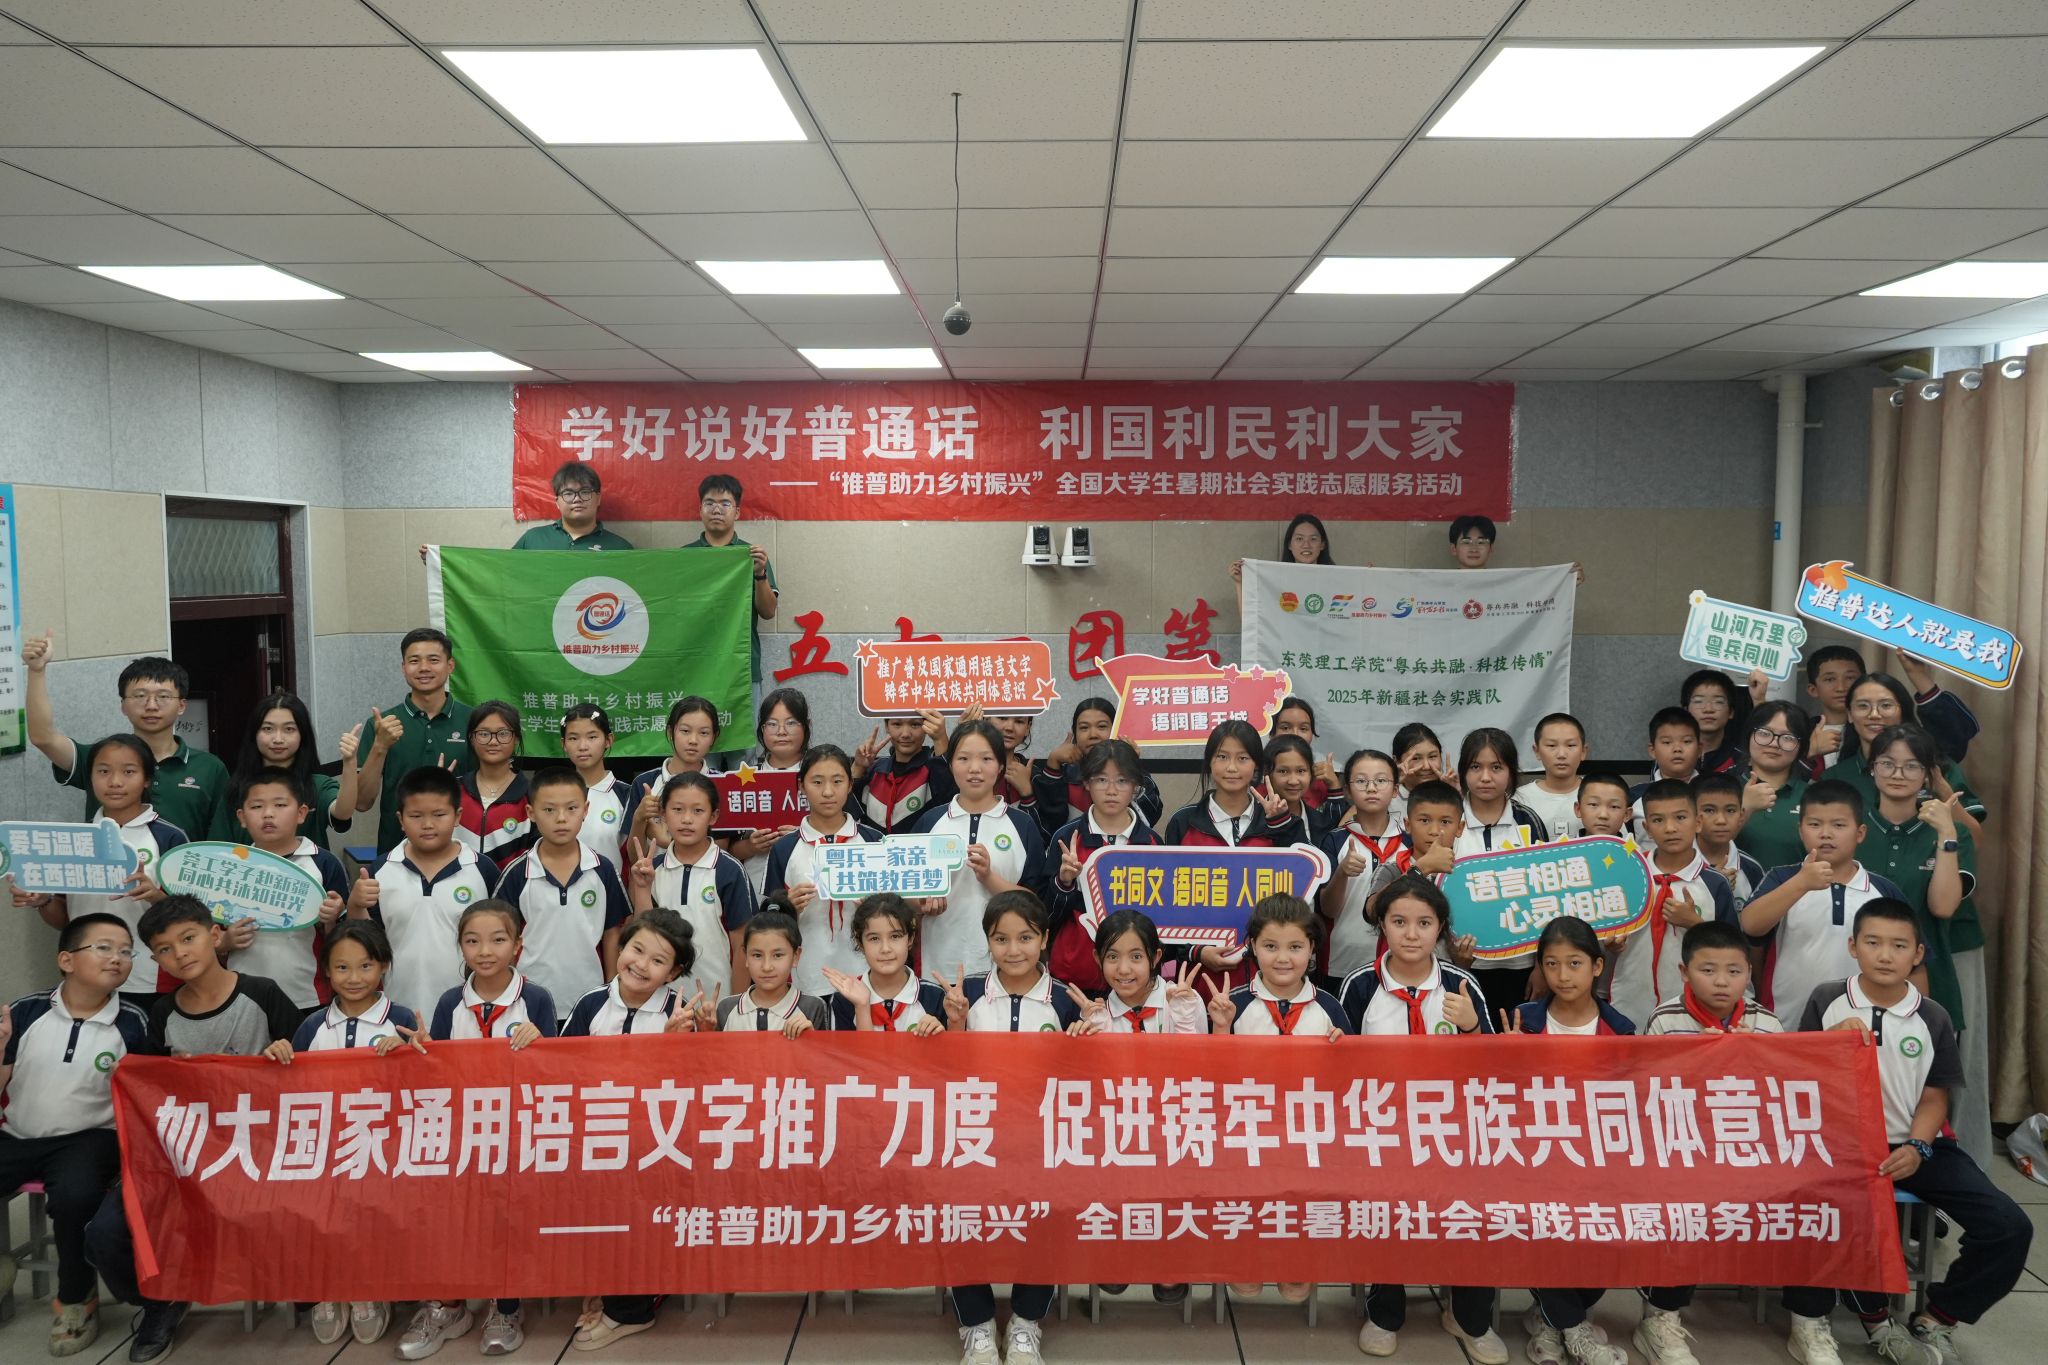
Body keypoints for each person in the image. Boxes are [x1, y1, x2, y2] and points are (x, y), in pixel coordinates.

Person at [1789, 899, 2032, 1365]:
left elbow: (1936, 1097)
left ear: (1918, 954)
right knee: (1832, 1212)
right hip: (1843, 1147)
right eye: (1873, 942)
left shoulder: (1933, 1016)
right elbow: (1800, 1079)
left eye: (1899, 946)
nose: (1885, 955)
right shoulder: (1827, 999)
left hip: (1918, 1144)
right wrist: (1829, 1042)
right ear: (1853, 946)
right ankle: (1873, 1320)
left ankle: (1938, 1316)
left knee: (2008, 1227)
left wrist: (1919, 1145)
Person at [124, 894, 304, 1360]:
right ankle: (164, 1298)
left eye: (188, 938)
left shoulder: (262, 993)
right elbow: (149, 1089)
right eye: (165, 949)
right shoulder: (162, 1013)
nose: (180, 953)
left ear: (215, 935)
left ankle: (296, 1281)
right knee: (107, 1232)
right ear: (155, 960)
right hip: (185, 1152)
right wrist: (174, 1073)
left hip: (258, 1144)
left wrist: (279, 1056)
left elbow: (309, 1066)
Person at [1340, 875, 1501, 1364]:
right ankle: (1385, 1312)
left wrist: (1471, 1028)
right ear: (1382, 926)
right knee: (1386, 1213)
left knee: (1469, 1214)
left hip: (1453, 1129)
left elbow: (1494, 1067)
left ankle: (1469, 1317)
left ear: (1441, 929)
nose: (1411, 934)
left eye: (1424, 923)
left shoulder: (1461, 984)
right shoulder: (1360, 985)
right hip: (1381, 1128)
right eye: (1399, 922)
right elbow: (1339, 1066)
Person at [938, 889, 1077, 1365]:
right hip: (974, 1133)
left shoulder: (1067, 1000)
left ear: (1045, 939)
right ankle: (976, 1325)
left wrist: (1085, 1037)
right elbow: (943, 1068)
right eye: (1001, 939)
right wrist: (954, 1024)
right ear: (987, 942)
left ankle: (1025, 1323)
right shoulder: (968, 993)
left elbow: (1083, 1075)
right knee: (962, 1218)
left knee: (1044, 1220)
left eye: (1025, 938)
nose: (1013, 950)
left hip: (1042, 1138)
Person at [1638, 919, 1787, 1364]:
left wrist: (1755, 1061)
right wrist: (1693, 1064)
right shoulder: (1665, 1020)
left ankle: (1809, 1319)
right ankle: (1661, 1315)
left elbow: (1784, 1098)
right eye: (1708, 970)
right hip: (1685, 1148)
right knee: (1687, 1203)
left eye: (1734, 971)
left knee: (1815, 1200)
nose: (1722, 981)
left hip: (1749, 1150)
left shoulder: (1766, 1023)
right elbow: (1647, 1096)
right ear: (1684, 972)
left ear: (1749, 973)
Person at [0, 913, 149, 1359]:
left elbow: (147, 1096)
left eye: (126, 951)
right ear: (66, 960)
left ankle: (75, 1301)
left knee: (76, 1197)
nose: (117, 958)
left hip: (90, 1138)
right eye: (104, 947)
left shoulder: (134, 1022)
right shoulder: (25, 1011)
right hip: (16, 1134)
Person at [266, 921, 417, 1352]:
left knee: (370, 1212)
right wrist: (277, 1055)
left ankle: (368, 1290)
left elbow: (425, 1084)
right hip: (325, 1147)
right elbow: (290, 1086)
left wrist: (408, 1052)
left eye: (365, 966)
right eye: (342, 967)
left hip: (384, 1144)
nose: (354, 978)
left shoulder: (402, 1019)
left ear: (383, 966)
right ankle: (328, 1288)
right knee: (317, 1212)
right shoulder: (312, 1024)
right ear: (327, 972)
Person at [558, 908, 698, 1349]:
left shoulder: (679, 1011)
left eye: (658, 960)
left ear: (673, 972)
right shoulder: (591, 1003)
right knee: (600, 1219)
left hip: (654, 1142)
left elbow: (693, 1086)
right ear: (621, 946)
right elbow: (562, 1069)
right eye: (636, 949)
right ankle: (609, 1291)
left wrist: (674, 1045)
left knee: (640, 1221)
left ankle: (630, 1311)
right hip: (597, 1137)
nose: (641, 964)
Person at [425, 900, 555, 1357]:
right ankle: (450, 1305)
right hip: (464, 1131)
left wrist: (541, 1042)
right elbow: (438, 1069)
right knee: (456, 1218)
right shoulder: (450, 1002)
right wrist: (421, 1051)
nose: (485, 951)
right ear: (460, 946)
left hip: (516, 1131)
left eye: (498, 940)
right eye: (472, 941)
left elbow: (555, 1070)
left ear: (518, 945)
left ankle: (507, 1305)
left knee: (508, 1219)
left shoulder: (535, 999)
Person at [1854, 723, 1989, 1164]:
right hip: (1853, 977)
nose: (1898, 774)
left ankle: (1927, 1173)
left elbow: (1944, 906)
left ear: (1929, 774)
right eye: (1887, 763)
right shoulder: (1855, 825)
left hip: (1928, 979)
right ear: (1872, 769)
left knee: (1923, 1087)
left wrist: (1946, 835)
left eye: (1911, 766)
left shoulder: (1950, 832)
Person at [1204, 892, 1347, 1306]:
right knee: (1245, 1195)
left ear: (1313, 949)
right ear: (1252, 947)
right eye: (1270, 946)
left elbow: (1352, 1081)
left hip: (1309, 1132)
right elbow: (1211, 1078)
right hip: (1246, 1128)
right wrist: (1220, 1030)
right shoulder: (1234, 1003)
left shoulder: (1330, 1007)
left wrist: (1344, 1051)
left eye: (1295, 947)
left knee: (1304, 1197)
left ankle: (1296, 1261)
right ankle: (1245, 1258)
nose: (1283, 958)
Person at [1504, 918, 1631, 1365]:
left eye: (1574, 964)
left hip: (1599, 1161)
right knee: (1544, 1226)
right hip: (1533, 1157)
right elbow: (1497, 1098)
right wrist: (1504, 1058)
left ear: (1597, 966)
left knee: (1607, 1239)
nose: (1563, 975)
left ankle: (1549, 1318)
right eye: (1552, 964)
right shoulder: (1523, 1020)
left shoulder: (1621, 1028)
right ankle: (1575, 1331)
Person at [1067, 909, 1206, 1306]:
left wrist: (1184, 1021)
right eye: (1112, 957)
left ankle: (1170, 1258)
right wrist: (1083, 1041)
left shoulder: (1183, 1000)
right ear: (1098, 959)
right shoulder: (1095, 1012)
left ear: (1156, 957)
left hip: (1175, 1123)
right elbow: (1091, 1088)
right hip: (1119, 1128)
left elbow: (1199, 1071)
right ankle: (1117, 1252)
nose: (1124, 969)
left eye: (1136, 957)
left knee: (1173, 1182)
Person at [11, 735, 182, 1000]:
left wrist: (155, 897)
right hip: (85, 978)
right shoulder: (73, 841)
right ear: (90, 777)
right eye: (103, 771)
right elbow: (65, 920)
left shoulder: (169, 837)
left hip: (149, 979)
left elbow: (188, 918)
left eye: (129, 772)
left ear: (147, 778)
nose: (115, 782)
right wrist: (42, 900)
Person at [22, 635, 230, 844]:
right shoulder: (99, 758)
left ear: (182, 706)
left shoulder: (209, 768)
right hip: (109, 864)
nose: (151, 705)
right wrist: (36, 671)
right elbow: (43, 737)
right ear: (123, 705)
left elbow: (222, 837)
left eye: (163, 696)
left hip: (179, 865)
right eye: (140, 696)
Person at [1738, 780, 1903, 1019]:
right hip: (1786, 1020)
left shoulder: (1883, 890)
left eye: (1838, 825)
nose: (1826, 833)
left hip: (1864, 1022)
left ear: (1860, 833)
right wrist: (1801, 883)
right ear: (1800, 830)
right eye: (1815, 824)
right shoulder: (1783, 878)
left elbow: (1912, 962)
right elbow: (1751, 925)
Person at [350, 765, 502, 1019]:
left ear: (457, 816)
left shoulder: (482, 869)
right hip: (397, 1009)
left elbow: (502, 939)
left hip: (468, 1013)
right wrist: (355, 905)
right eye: (416, 816)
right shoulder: (381, 870)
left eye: (439, 814)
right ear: (400, 820)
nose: (428, 824)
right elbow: (365, 943)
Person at [909, 720, 1049, 983]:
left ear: (1000, 766)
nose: (975, 768)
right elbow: (905, 894)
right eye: (963, 758)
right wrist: (921, 904)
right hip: (938, 965)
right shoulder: (930, 822)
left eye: (986, 759)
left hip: (1004, 968)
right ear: (951, 764)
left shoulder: (1022, 825)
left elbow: (1036, 903)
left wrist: (988, 877)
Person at [496, 767, 632, 1010]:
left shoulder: (602, 869)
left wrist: (612, 992)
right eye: (549, 810)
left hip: (589, 997)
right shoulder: (517, 874)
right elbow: (502, 937)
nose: (561, 818)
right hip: (528, 999)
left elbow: (612, 933)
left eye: (571, 808)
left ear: (586, 810)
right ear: (531, 813)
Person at [1609, 780, 1736, 1030]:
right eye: (1658, 820)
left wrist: (1695, 924)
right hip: (1630, 1001)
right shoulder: (1628, 875)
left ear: (1698, 822)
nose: (1670, 828)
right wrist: (1611, 944)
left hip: (1695, 1009)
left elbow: (1733, 949)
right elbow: (1605, 934)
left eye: (1680, 817)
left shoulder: (1714, 883)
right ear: (1646, 828)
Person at [763, 744, 885, 996]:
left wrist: (876, 907)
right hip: (807, 977)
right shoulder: (785, 848)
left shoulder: (874, 841)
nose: (828, 792)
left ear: (850, 785)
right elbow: (767, 922)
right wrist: (788, 908)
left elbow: (897, 912)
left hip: (867, 973)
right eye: (817, 782)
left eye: (837, 781)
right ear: (801, 785)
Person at [1045, 739, 1164, 993]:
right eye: (1101, 780)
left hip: (1134, 979)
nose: (1111, 790)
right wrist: (1064, 882)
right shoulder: (1065, 838)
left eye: (1122, 781)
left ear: (1135, 786)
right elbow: (1045, 916)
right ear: (1086, 783)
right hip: (1075, 976)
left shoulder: (1153, 843)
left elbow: (1163, 918)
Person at [227, 770, 350, 1010]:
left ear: (301, 813)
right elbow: (211, 934)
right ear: (241, 817)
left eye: (280, 805)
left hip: (307, 994)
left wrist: (331, 920)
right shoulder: (230, 865)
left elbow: (344, 939)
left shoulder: (324, 863)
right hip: (241, 995)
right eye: (257, 806)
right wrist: (224, 942)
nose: (268, 813)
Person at [625, 772, 753, 1001]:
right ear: (663, 814)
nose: (686, 819)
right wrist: (642, 888)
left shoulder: (729, 870)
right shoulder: (653, 867)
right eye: (677, 809)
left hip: (716, 1000)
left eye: (698, 811)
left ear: (713, 816)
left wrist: (735, 1006)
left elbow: (742, 945)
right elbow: (643, 936)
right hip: (660, 1002)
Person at [354, 628, 474, 856]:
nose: (424, 668)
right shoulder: (381, 725)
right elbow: (361, 802)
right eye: (414, 661)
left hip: (461, 854)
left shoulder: (473, 721)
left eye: (433, 660)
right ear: (403, 668)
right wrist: (380, 746)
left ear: (450, 666)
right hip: (395, 855)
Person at [1453, 727, 1549, 1011]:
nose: (1485, 777)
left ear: (1511, 772)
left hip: (1521, 964)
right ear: (1463, 771)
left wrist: (1542, 965)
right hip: (1461, 961)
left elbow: (1547, 892)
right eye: (1475, 767)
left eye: (1496, 767)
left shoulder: (1527, 821)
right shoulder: (1449, 819)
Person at [686, 473, 778, 764]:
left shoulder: (750, 556)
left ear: (737, 511)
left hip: (742, 668)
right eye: (709, 503)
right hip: (696, 669)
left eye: (725, 503)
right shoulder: (684, 558)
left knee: (743, 752)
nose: (717, 509)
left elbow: (768, 611)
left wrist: (759, 575)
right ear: (700, 509)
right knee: (702, 752)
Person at [1829, 672, 1985, 832]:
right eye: (1863, 706)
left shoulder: (1939, 768)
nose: (1874, 715)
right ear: (1850, 714)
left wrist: (1944, 794)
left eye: (1886, 705)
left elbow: (1974, 839)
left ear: (1902, 711)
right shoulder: (1835, 776)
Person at [1318, 749, 1406, 979]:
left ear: (1395, 790)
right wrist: (1342, 873)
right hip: (1343, 961)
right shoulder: (1335, 840)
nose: (1371, 788)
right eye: (1361, 781)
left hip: (1401, 960)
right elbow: (1327, 909)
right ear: (1347, 790)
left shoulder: (1409, 842)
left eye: (1381, 780)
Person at [231, 690, 361, 845]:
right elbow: (218, 845)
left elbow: (343, 812)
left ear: (302, 735)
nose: (278, 739)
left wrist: (350, 762)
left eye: (289, 729)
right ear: (254, 734)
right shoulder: (236, 786)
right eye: (268, 729)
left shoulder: (318, 785)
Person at [1030, 698, 1164, 835]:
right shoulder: (1065, 773)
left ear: (1116, 729)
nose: (1093, 735)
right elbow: (1050, 826)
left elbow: (1150, 817)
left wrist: (1131, 763)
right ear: (1075, 734)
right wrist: (1053, 763)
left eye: (1101, 726)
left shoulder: (1131, 770)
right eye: (1084, 728)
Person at [819, 893, 948, 1034]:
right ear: (860, 943)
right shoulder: (843, 1000)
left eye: (895, 936)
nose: (885, 949)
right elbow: (848, 1050)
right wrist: (861, 1007)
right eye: (874, 939)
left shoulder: (934, 996)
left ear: (910, 939)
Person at [730, 687, 810, 893]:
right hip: (755, 885)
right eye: (772, 724)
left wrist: (805, 836)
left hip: (809, 883)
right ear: (762, 729)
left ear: (806, 726)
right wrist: (750, 847)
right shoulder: (743, 781)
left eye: (791, 723)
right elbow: (724, 849)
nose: (781, 731)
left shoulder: (820, 777)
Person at [621, 694, 722, 848]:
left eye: (703, 733)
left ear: (714, 737)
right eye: (685, 731)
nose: (693, 740)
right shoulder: (644, 782)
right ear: (670, 732)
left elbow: (722, 849)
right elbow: (635, 857)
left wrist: (666, 842)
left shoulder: (723, 784)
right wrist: (639, 818)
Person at [713, 907, 831, 1034]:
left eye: (778, 955)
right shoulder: (727, 1008)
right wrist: (706, 1029)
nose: (766, 967)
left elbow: (822, 1047)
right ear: (745, 956)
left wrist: (811, 1037)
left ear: (796, 956)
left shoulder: (812, 1007)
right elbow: (717, 1047)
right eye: (757, 955)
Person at [1734, 699, 1813, 872]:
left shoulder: (1815, 797)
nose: (1774, 743)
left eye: (1788, 738)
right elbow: (1702, 847)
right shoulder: (1722, 789)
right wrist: (1745, 808)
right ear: (1749, 736)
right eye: (1764, 733)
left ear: (1802, 747)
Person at [853, 710, 957, 834]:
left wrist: (940, 739)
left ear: (927, 726)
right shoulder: (874, 770)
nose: (906, 734)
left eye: (915, 724)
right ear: (887, 726)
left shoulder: (936, 769)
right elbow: (847, 813)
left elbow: (951, 803)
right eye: (897, 724)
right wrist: (858, 767)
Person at [455, 699, 532, 864]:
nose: (493, 741)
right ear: (471, 738)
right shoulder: (453, 790)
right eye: (484, 734)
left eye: (503, 733)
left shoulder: (532, 794)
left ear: (516, 738)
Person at [513, 460, 633, 551]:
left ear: (598, 499)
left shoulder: (620, 548)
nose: (577, 499)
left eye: (585, 492)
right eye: (568, 493)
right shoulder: (532, 540)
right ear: (557, 503)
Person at [1228, 512, 1336, 610]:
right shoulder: (1273, 582)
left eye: (1313, 539)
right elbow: (1253, 620)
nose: (1306, 545)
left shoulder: (1336, 580)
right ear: (1289, 545)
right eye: (1299, 539)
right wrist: (1240, 583)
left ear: (1322, 545)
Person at [562, 703, 626, 866]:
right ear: (564, 744)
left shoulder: (626, 795)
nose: (582, 746)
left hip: (611, 882)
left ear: (608, 740)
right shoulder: (554, 794)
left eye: (592, 737)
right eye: (573, 738)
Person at [1692, 772, 1765, 907]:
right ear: (1692, 815)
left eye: (1730, 811)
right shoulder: (1675, 863)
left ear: (1741, 816)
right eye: (1709, 810)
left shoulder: (1752, 869)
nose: (1721, 820)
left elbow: (1760, 918)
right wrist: (1712, 885)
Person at [1629, 708, 1702, 840]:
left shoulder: (1712, 793)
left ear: (1700, 749)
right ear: (1652, 750)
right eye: (1667, 742)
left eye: (1686, 741)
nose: (1677, 749)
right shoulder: (1634, 796)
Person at [1446, 513, 1583, 582]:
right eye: (1466, 542)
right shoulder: (1440, 584)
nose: (1474, 548)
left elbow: (1540, 597)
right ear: (1453, 549)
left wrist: (1567, 582)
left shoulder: (1506, 583)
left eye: (1481, 542)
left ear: (1491, 548)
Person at [1517, 711, 1586, 839]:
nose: (1561, 754)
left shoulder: (1600, 795)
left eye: (1570, 745)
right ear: (1537, 751)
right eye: (1551, 745)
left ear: (1583, 751)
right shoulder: (1519, 800)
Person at [1264, 734, 1338, 840]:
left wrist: (1335, 785)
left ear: (1311, 773)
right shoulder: (1250, 819)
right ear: (1267, 773)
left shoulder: (1322, 823)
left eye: (1301, 771)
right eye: (1283, 771)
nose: (1293, 781)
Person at [1270, 695, 1340, 808]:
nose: (1295, 734)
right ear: (1272, 734)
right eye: (1285, 728)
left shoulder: (1322, 783)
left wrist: (1334, 784)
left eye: (1303, 729)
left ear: (1312, 734)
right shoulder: (1255, 781)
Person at [1681, 669, 1749, 776]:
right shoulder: (1670, 756)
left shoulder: (1742, 761)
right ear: (1686, 711)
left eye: (1718, 702)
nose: (1708, 709)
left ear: (1731, 712)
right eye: (1698, 701)